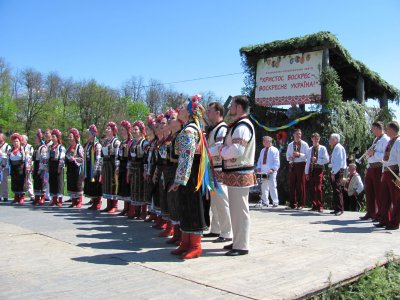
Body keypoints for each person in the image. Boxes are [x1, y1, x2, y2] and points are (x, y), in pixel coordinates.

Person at [169, 94, 213, 259]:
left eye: (181, 107)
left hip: (192, 174)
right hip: (191, 173)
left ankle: (195, 245)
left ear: (188, 112)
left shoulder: (189, 130)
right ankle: (186, 243)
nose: (178, 109)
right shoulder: (191, 127)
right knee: (186, 207)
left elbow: (187, 157)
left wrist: (179, 180)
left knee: (193, 207)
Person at [220, 95, 256, 257]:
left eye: (233, 105)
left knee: (240, 210)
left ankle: (242, 245)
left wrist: (221, 152)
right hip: (236, 173)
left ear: (239, 108)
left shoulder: (242, 126)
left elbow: (237, 150)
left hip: (241, 173)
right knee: (235, 210)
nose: (230, 108)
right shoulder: (238, 125)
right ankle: (237, 241)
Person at [205, 102, 233, 243]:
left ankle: (227, 232)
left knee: (222, 202)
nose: (207, 113)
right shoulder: (214, 128)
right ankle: (215, 229)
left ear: (217, 112)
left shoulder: (222, 128)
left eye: (209, 111)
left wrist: (203, 152)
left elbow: (219, 148)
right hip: (212, 169)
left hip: (219, 169)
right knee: (214, 203)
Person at [360, 121, 389, 221]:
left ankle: (380, 214)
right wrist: (367, 166)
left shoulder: (385, 139)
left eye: (373, 129)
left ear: (378, 128)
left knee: (379, 192)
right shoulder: (376, 139)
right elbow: (372, 154)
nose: (372, 131)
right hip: (371, 168)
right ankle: (371, 212)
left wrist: (374, 153)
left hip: (378, 168)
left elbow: (385, 156)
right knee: (369, 191)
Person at [375, 121, 400, 230]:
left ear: (392, 129)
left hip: (394, 172)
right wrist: (383, 173)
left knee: (396, 199)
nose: (386, 130)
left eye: (388, 128)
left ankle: (395, 222)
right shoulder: (390, 141)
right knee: (384, 197)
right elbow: (386, 159)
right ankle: (384, 220)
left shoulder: (398, 142)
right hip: (387, 171)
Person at [163, 108, 183, 243]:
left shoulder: (181, 135)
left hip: (177, 171)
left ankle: (181, 235)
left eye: (173, 118)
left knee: (178, 202)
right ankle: (176, 233)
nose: (169, 120)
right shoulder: (172, 137)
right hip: (169, 171)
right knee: (172, 202)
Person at [158, 108, 179, 237]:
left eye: (164, 123)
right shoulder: (165, 140)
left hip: (173, 170)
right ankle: (170, 226)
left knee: (174, 200)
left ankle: (175, 230)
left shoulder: (174, 138)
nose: (161, 125)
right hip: (165, 170)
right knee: (166, 199)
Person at [128, 120, 149, 219]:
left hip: (141, 168)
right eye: (133, 129)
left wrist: (145, 170)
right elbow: (129, 157)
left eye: (136, 129)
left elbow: (146, 158)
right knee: (134, 189)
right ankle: (136, 211)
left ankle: (143, 212)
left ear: (141, 131)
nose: (134, 131)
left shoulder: (144, 143)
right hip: (133, 168)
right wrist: (129, 170)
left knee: (142, 189)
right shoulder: (132, 143)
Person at [305, 133, 329, 212]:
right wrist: (306, 173)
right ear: (312, 139)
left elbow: (327, 160)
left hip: (319, 170)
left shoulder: (323, 148)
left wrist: (317, 160)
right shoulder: (309, 149)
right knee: (312, 188)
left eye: (317, 138)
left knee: (318, 188)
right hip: (311, 170)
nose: (316, 140)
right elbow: (308, 161)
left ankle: (320, 206)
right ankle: (314, 205)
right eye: (315, 138)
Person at [286, 129, 309, 209]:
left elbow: (307, 156)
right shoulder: (290, 145)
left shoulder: (305, 144)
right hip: (292, 165)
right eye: (297, 134)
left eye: (300, 134)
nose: (298, 135)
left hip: (301, 165)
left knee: (301, 184)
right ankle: (292, 204)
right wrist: (290, 157)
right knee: (292, 185)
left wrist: (299, 154)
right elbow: (287, 156)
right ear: (293, 135)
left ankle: (301, 204)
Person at [100, 122, 120, 213]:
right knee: (107, 184)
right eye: (106, 128)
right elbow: (101, 155)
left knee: (113, 184)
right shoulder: (105, 142)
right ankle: (109, 205)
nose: (106, 130)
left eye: (109, 129)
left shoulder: (116, 142)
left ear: (113, 131)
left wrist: (117, 167)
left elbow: (117, 156)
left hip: (112, 165)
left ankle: (114, 205)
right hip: (106, 165)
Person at [256, 135, 280, 208]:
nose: (264, 142)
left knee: (272, 186)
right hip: (263, 171)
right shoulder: (262, 150)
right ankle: (265, 202)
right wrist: (259, 167)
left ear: (270, 142)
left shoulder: (274, 150)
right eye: (264, 141)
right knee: (264, 187)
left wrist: (273, 169)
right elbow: (260, 160)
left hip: (271, 171)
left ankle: (275, 202)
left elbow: (276, 161)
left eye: (266, 141)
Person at [144, 115, 159, 223]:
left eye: (149, 129)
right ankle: (152, 213)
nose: (147, 130)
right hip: (150, 169)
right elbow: (147, 159)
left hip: (155, 169)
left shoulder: (156, 142)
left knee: (155, 192)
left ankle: (156, 214)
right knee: (150, 191)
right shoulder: (150, 143)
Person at [83, 125, 103, 210]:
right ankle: (94, 201)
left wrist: (96, 169)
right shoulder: (88, 145)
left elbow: (98, 157)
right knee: (91, 184)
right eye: (87, 134)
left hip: (95, 168)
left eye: (89, 134)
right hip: (89, 166)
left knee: (95, 185)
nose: (87, 136)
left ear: (93, 134)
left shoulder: (97, 145)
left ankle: (97, 202)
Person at [116, 120, 132, 216]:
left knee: (128, 187)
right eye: (121, 129)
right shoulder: (122, 142)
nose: (122, 131)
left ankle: (130, 208)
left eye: (124, 129)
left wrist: (128, 167)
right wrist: (117, 167)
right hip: (122, 165)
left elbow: (130, 156)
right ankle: (125, 207)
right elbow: (118, 156)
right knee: (123, 187)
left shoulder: (130, 142)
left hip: (127, 166)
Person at [65, 128, 84, 208]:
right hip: (70, 167)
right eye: (69, 137)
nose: (69, 138)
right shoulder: (69, 147)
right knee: (71, 183)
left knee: (77, 184)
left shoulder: (78, 147)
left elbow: (82, 158)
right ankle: (73, 201)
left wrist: (75, 159)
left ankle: (79, 201)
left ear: (75, 137)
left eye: (71, 137)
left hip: (77, 168)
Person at [329, 133, 347, 216]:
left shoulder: (338, 148)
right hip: (336, 170)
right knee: (335, 190)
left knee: (337, 189)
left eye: (331, 139)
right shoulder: (336, 147)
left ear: (335, 140)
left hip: (337, 171)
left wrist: (333, 172)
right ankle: (336, 208)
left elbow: (338, 162)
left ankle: (339, 208)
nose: (329, 140)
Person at [48, 129, 66, 207]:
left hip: (58, 165)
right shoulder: (50, 147)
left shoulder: (61, 147)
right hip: (52, 165)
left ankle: (60, 200)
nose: (53, 138)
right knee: (52, 182)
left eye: (54, 136)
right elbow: (48, 157)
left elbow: (62, 158)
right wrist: (47, 166)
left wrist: (60, 167)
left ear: (57, 137)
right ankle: (54, 199)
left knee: (59, 183)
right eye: (52, 136)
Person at [8, 133, 27, 205]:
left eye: (17, 141)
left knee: (21, 182)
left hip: (20, 167)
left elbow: (25, 159)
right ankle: (16, 197)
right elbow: (8, 159)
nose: (15, 143)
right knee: (14, 181)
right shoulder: (11, 150)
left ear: (20, 142)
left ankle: (22, 197)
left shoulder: (22, 149)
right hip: (13, 167)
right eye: (14, 141)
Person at [32, 129, 47, 205]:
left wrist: (41, 169)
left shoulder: (43, 147)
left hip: (41, 166)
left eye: (36, 138)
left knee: (42, 182)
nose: (35, 139)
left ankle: (43, 197)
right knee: (36, 181)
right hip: (36, 164)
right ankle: (37, 197)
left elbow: (44, 159)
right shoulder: (36, 147)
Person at [21, 135, 34, 201]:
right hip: (21, 165)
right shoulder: (19, 147)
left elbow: (32, 154)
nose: (21, 140)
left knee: (29, 180)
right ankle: (21, 194)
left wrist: (27, 152)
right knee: (22, 180)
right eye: (21, 139)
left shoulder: (30, 146)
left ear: (26, 140)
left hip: (28, 165)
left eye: (23, 139)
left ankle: (31, 195)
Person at [0, 133, 11, 202]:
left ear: (3, 138)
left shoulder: (7, 146)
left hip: (4, 166)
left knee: (4, 181)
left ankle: (5, 195)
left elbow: (8, 156)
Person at [43, 129, 53, 201]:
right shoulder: (43, 144)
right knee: (44, 180)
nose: (46, 135)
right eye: (45, 133)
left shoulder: (52, 144)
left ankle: (49, 195)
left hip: (49, 164)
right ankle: (45, 194)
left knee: (48, 179)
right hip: (43, 164)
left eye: (47, 133)